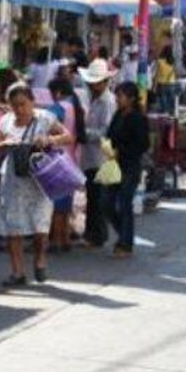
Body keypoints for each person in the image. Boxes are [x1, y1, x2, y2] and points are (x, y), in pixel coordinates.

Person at [0, 83, 74, 285]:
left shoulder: (45, 118)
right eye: (14, 105)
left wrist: (48, 140)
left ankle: (40, 260)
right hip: (13, 180)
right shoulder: (6, 121)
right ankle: (17, 272)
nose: (19, 110)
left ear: (32, 102)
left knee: (40, 227)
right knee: (14, 228)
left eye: (23, 104)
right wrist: (4, 145)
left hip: (40, 180)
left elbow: (68, 137)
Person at [104, 82, 150, 258]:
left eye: (120, 96)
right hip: (113, 165)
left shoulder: (138, 118)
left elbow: (143, 144)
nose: (117, 99)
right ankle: (123, 233)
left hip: (130, 166)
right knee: (106, 203)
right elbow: (110, 134)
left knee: (125, 203)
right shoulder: (118, 114)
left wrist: (121, 150)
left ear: (130, 98)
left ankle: (126, 242)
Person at [77, 59, 117, 248]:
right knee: (93, 196)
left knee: (97, 197)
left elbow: (106, 130)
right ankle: (92, 233)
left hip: (99, 155)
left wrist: (87, 134)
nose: (92, 85)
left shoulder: (107, 101)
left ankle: (97, 234)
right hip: (91, 155)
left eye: (95, 82)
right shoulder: (94, 98)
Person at [47, 78, 85, 251]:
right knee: (65, 203)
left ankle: (55, 240)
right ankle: (65, 238)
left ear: (58, 92)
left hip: (57, 158)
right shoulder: (76, 107)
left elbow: (47, 127)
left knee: (56, 203)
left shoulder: (58, 108)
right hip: (72, 157)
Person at [153, 46, 178, 113]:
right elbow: (175, 72)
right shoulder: (173, 61)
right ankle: (172, 114)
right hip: (171, 83)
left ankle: (164, 114)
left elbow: (157, 74)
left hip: (162, 83)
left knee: (163, 104)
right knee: (171, 101)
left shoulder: (160, 61)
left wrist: (154, 85)